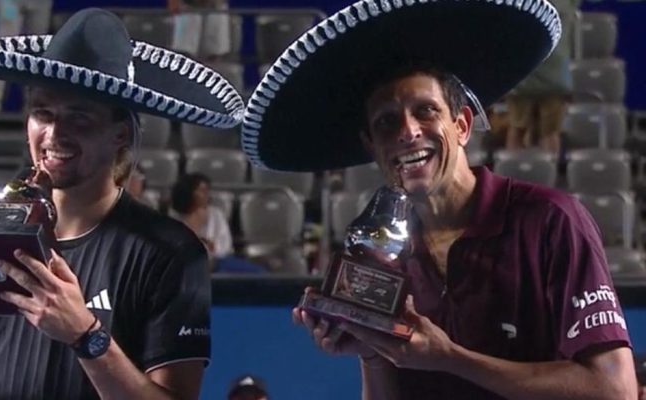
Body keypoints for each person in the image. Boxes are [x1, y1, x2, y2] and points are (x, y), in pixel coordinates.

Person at [239, 0, 637, 398]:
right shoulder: (379, 251)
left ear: (462, 124)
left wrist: (450, 357)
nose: (408, 131)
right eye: (386, 122)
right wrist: (374, 352)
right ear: (372, 146)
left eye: (426, 111)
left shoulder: (551, 220)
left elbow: (613, 390)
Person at [0, 8, 244, 399]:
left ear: (120, 135)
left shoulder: (170, 252)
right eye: (43, 113)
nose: (54, 133)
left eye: (79, 117)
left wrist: (85, 335)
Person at [505, 0, 580, 156]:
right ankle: (547, 178)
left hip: (522, 76)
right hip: (550, 78)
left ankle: (511, 177)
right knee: (550, 134)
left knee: (518, 129)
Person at [170, 173, 233, 259]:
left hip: (215, 262)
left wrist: (213, 247)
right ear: (188, 192)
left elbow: (225, 244)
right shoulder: (174, 217)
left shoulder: (216, 214)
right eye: (202, 191)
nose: (207, 195)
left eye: (207, 191)